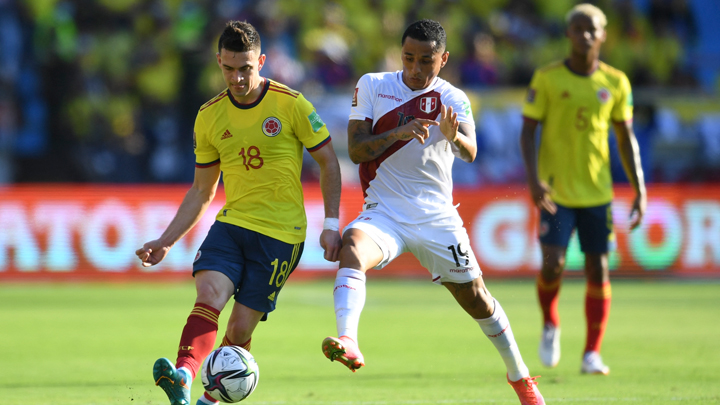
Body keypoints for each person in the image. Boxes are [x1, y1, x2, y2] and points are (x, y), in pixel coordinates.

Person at [321, 19, 545, 405]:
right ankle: (349, 340)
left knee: (477, 298)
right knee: (351, 248)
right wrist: (397, 133)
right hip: (384, 212)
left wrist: (453, 132)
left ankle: (521, 378)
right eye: (409, 58)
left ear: (443, 60)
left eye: (426, 60)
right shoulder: (373, 85)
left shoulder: (453, 98)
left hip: (437, 216)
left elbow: (471, 152)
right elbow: (356, 150)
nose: (415, 68)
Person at [136, 21, 342, 405]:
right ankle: (183, 375)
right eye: (228, 68)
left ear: (261, 61)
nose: (237, 77)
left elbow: (329, 162)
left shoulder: (291, 104)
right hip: (233, 225)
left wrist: (331, 223)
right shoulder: (209, 116)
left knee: (240, 326)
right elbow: (203, 190)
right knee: (209, 292)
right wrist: (165, 241)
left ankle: (208, 400)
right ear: (219, 62)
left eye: (245, 68)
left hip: (282, 235)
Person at [519, 4, 647, 376]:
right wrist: (533, 179)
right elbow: (527, 132)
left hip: (597, 192)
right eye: (577, 28)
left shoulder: (616, 82)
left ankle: (592, 353)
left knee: (598, 269)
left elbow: (626, 138)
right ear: (567, 34)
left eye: (592, 29)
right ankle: (549, 322)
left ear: (603, 35)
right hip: (555, 193)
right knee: (553, 264)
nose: (585, 35)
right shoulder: (546, 78)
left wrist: (639, 188)